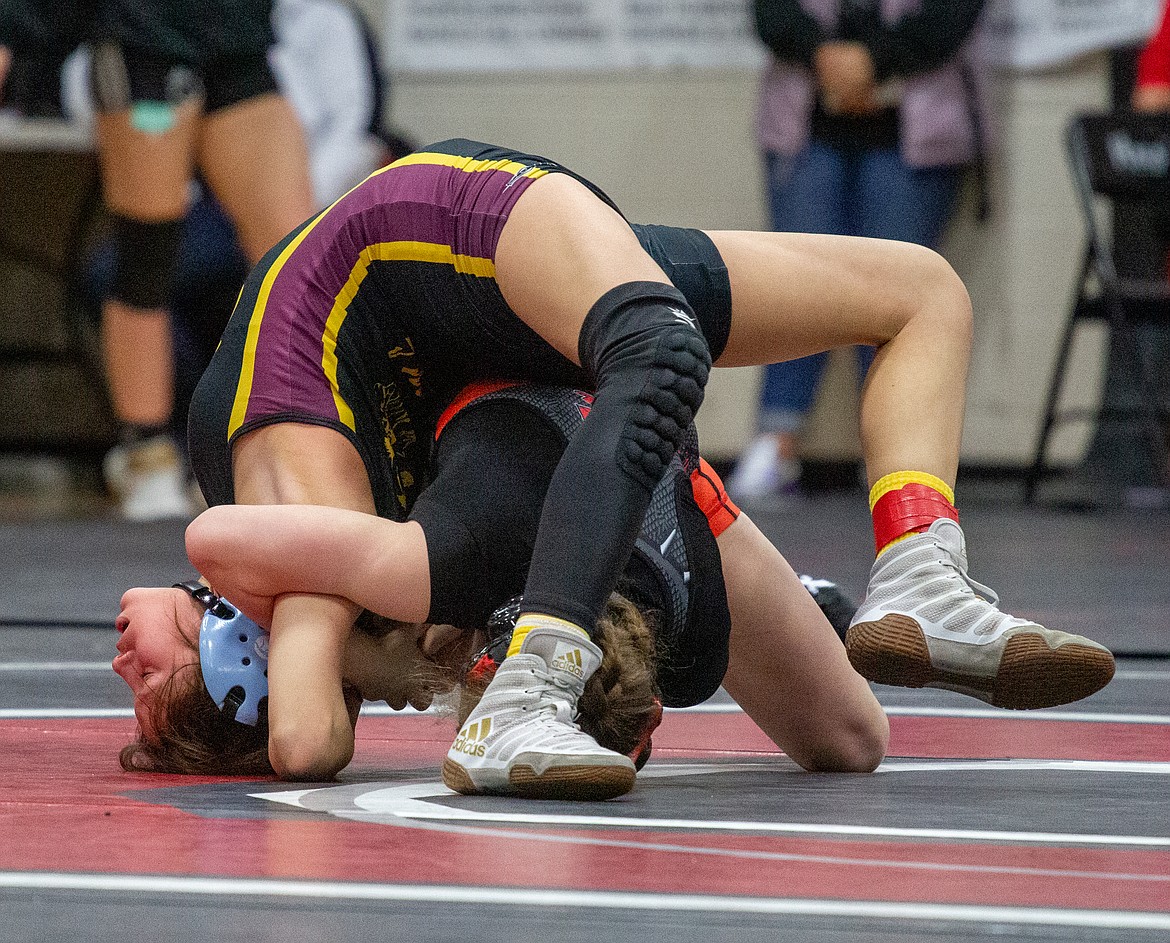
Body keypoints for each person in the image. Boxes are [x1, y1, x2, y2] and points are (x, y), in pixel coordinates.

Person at [173, 135, 1113, 798]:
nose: (414, 695)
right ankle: (917, 570)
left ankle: (533, 686)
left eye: (383, 688)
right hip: (502, 359)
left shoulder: (299, 481)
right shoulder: (374, 557)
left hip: (444, 237)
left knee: (665, 351)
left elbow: (302, 736)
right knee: (849, 733)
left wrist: (262, 628)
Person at [116, 379, 892, 797]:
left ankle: (809, 597)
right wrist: (340, 640)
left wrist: (359, 658)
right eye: (147, 675)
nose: (123, 663)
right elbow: (213, 544)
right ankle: (813, 594)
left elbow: (306, 734)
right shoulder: (430, 565)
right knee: (848, 740)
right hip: (620, 444)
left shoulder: (435, 572)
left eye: (149, 670)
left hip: (605, 441)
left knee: (854, 741)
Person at [1, 0, 317, 519]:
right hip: (144, 44)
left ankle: (281, 433)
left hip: (237, 42)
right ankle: (144, 450)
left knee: (296, 261)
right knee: (149, 251)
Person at [730, 0, 988, 499]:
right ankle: (776, 439)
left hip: (913, 128)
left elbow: (950, 19)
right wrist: (828, 59)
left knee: (898, 301)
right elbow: (771, 16)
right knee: (791, 288)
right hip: (809, 125)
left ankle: (892, 462)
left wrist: (874, 62)